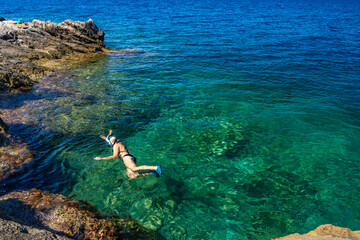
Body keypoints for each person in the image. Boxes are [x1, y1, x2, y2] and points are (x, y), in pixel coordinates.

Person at [94, 131, 162, 180]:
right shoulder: (118, 142)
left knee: (134, 169)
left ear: (112, 142)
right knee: (131, 176)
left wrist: (101, 158)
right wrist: (105, 138)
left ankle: (155, 167)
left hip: (126, 158)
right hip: (129, 157)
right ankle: (150, 172)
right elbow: (110, 141)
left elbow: (114, 156)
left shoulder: (116, 146)